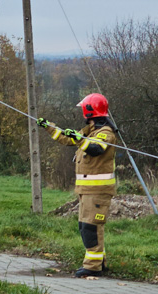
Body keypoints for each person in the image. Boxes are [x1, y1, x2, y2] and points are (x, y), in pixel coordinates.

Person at [37, 93, 117, 278]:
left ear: (90, 110)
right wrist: (49, 127)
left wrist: (80, 139)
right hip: (86, 190)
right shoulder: (90, 131)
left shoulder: (105, 133)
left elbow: (96, 149)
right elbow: (67, 139)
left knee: (91, 227)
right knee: (86, 226)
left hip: (98, 191)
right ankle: (99, 263)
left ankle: (92, 266)